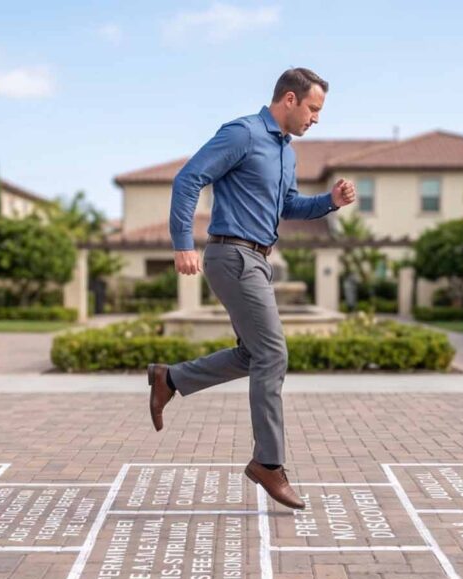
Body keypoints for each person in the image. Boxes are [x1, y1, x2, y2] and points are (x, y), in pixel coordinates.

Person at [146, 67, 356, 509]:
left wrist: (330, 203)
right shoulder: (242, 133)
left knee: (253, 354)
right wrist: (183, 243)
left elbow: (289, 206)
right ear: (291, 100)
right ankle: (268, 464)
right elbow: (189, 179)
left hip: (258, 259)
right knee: (274, 354)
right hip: (232, 253)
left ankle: (171, 378)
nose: (316, 119)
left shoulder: (286, 152)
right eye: (314, 109)